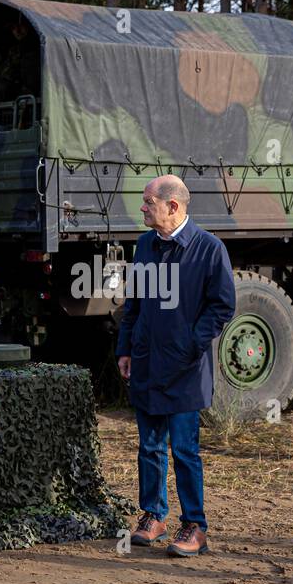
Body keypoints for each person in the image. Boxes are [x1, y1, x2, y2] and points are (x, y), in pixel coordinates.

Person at [116, 174, 235, 557]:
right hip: (147, 364)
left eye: (148, 202)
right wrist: (126, 348)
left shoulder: (209, 249)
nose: (142, 208)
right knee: (149, 446)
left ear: (173, 206)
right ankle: (153, 516)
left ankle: (194, 526)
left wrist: (189, 345)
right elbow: (133, 303)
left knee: (184, 449)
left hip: (185, 369)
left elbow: (222, 306)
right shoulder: (145, 246)